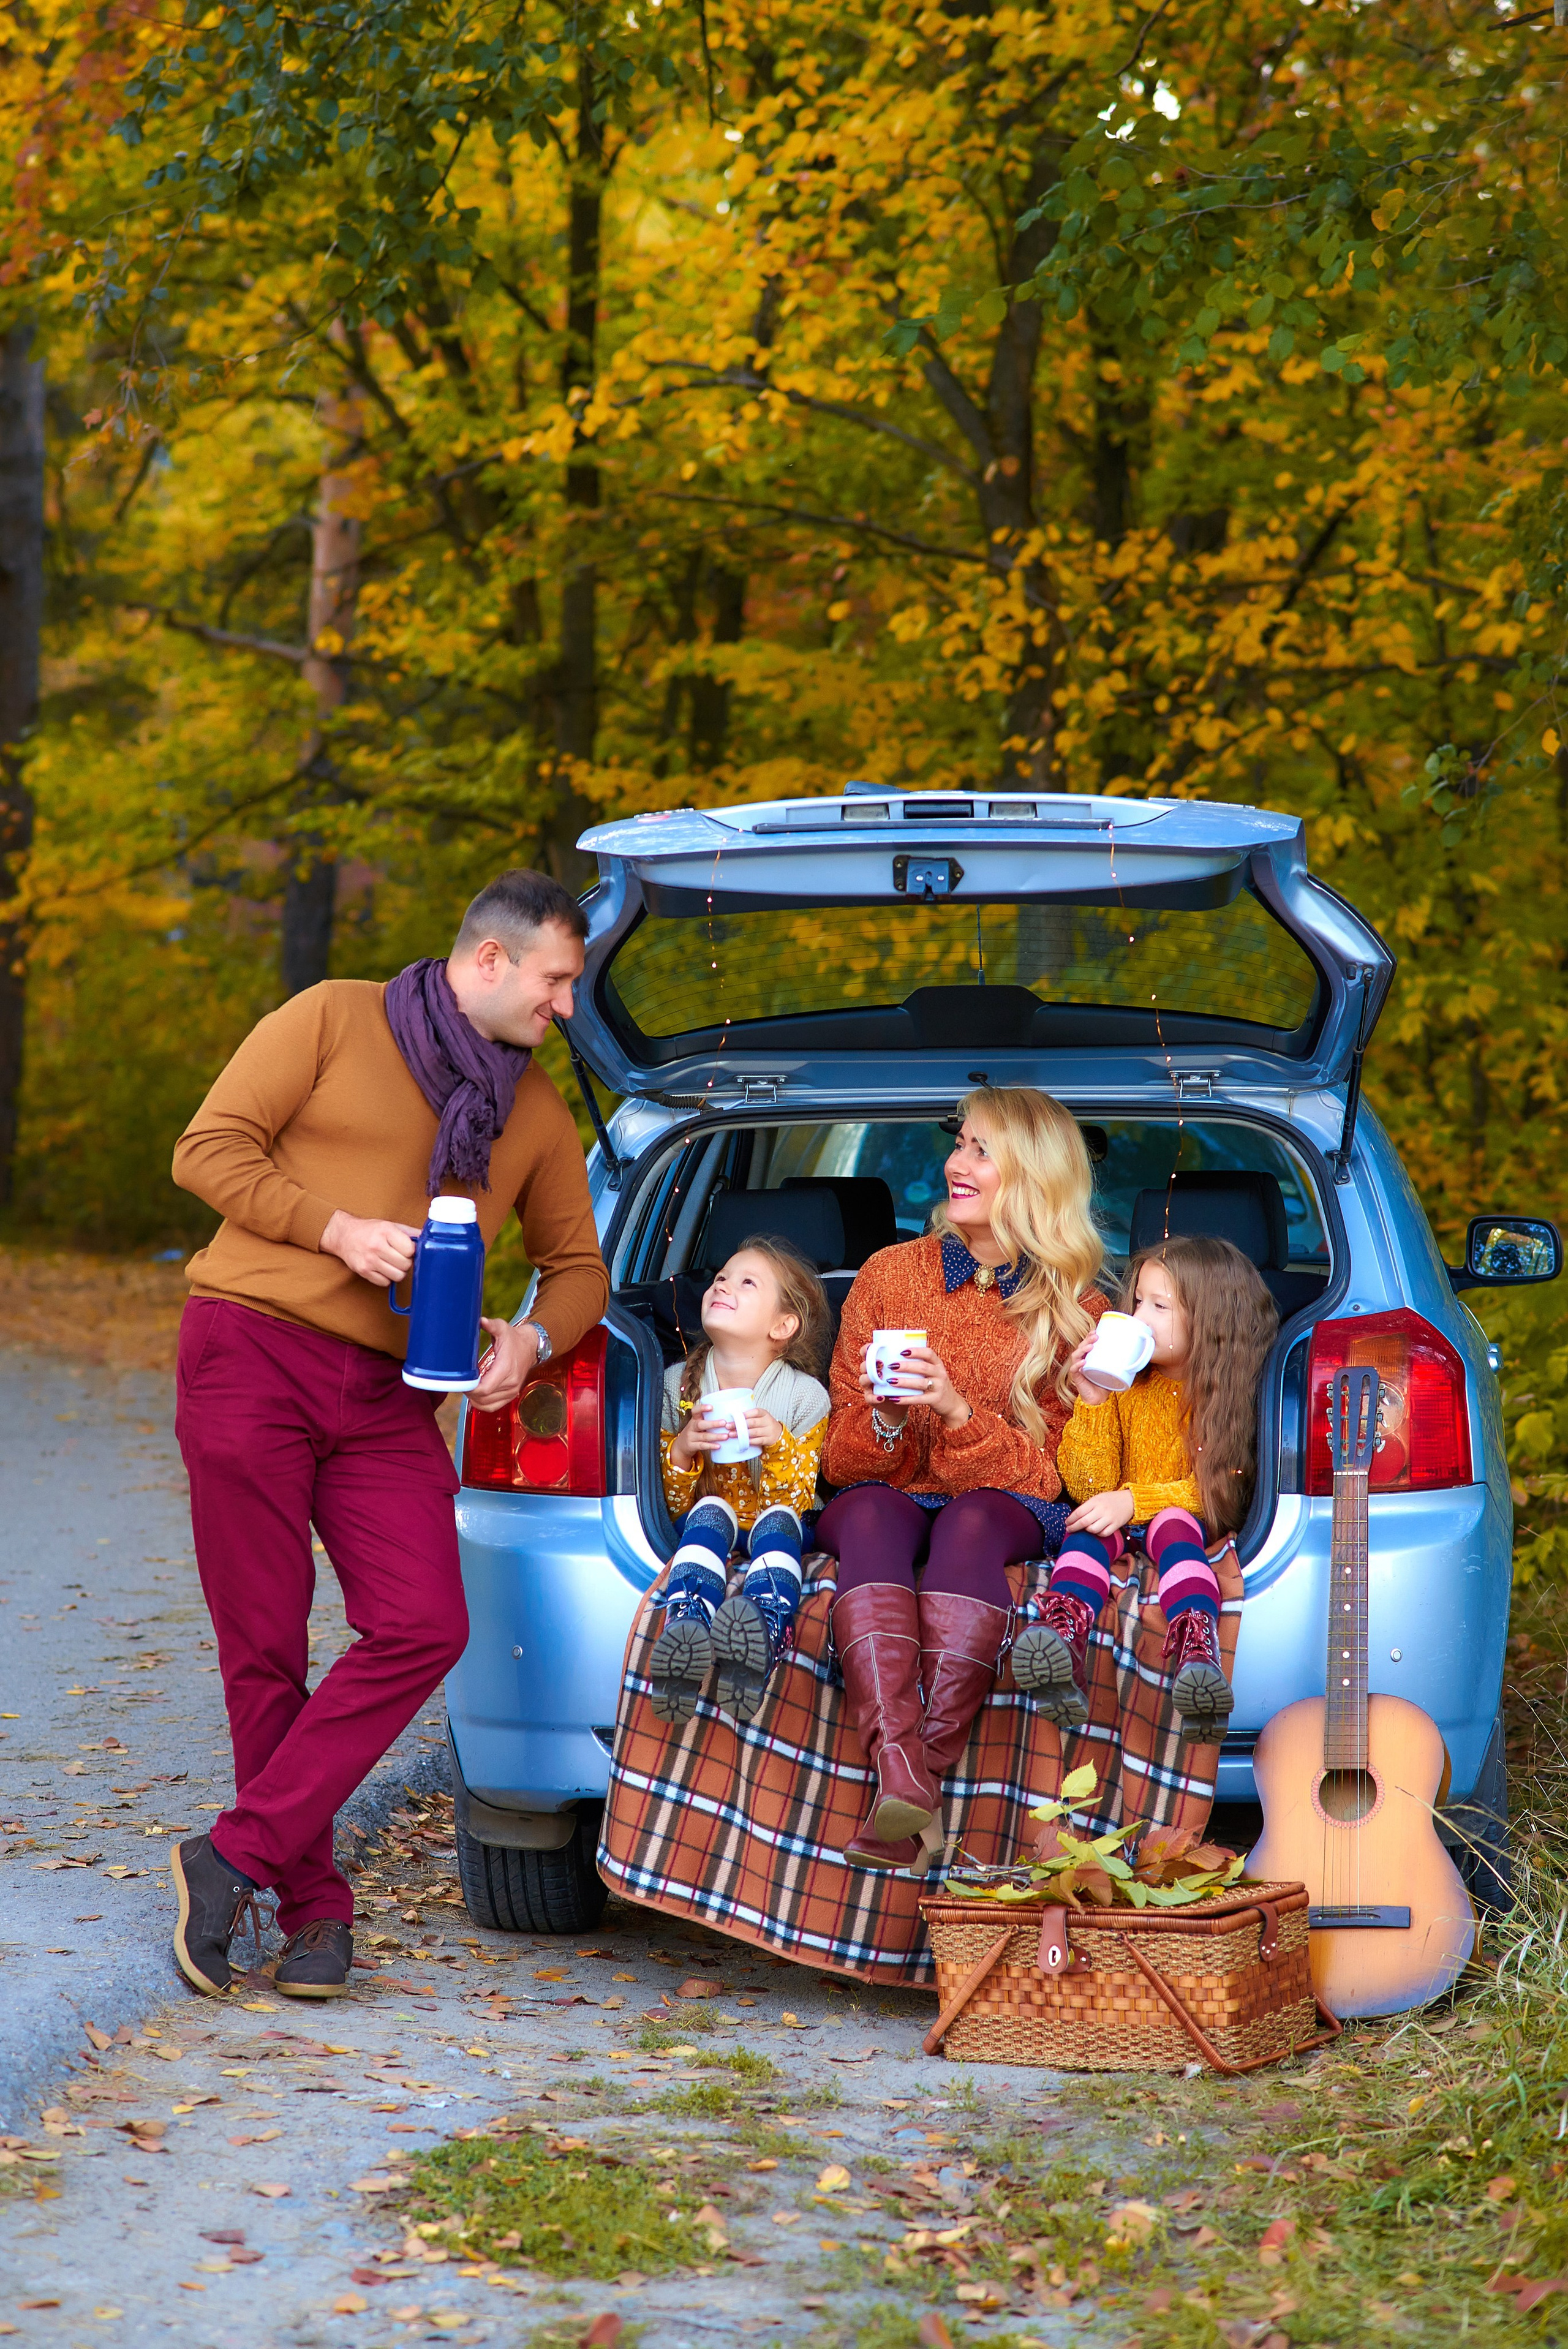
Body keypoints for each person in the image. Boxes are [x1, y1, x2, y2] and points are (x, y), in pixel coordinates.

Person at [166, 869, 609, 1999]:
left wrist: (531, 1342)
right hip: (251, 1349)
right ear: (492, 958)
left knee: (423, 1622)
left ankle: (233, 1854)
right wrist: (335, 1229)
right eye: (558, 980)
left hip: (388, 1397)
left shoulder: (535, 1112)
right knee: (265, 1645)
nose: (568, 1006)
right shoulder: (332, 1017)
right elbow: (207, 1149)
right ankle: (314, 1908)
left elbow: (578, 1268)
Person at [818, 1087, 1109, 1871]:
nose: (957, 1163)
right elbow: (837, 1461)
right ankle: (903, 1777)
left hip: (999, 1504)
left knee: (972, 1518)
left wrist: (954, 1412)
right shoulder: (887, 1273)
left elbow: (1052, 1477)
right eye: (959, 1144)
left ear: (1033, 1175)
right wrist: (884, 1418)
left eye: (983, 1150)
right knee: (868, 1511)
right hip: (884, 1494)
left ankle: (914, 1777)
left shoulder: (1077, 1306)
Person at [1016, 1234, 1278, 1741]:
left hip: (1180, 1526)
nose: (1138, 1316)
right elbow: (1090, 1485)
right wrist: (1092, 1399)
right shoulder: (1125, 1383)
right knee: (1086, 1528)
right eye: (1137, 1301)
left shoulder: (1228, 1392)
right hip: (1121, 1526)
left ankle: (1197, 1649)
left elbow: (1221, 1493)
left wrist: (1135, 1500)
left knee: (1173, 1523)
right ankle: (1061, 1638)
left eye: (1159, 1306)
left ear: (1211, 1319)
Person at [654, 1239, 832, 1725]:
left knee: (779, 1521)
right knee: (709, 1512)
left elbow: (797, 1499)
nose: (722, 1286)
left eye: (746, 1282)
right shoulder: (675, 1385)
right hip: (710, 1521)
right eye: (720, 1278)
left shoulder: (805, 1397)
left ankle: (761, 1626)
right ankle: (687, 1623)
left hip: (779, 1522)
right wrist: (684, 1448)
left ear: (783, 1326)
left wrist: (777, 1441)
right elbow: (671, 1505)